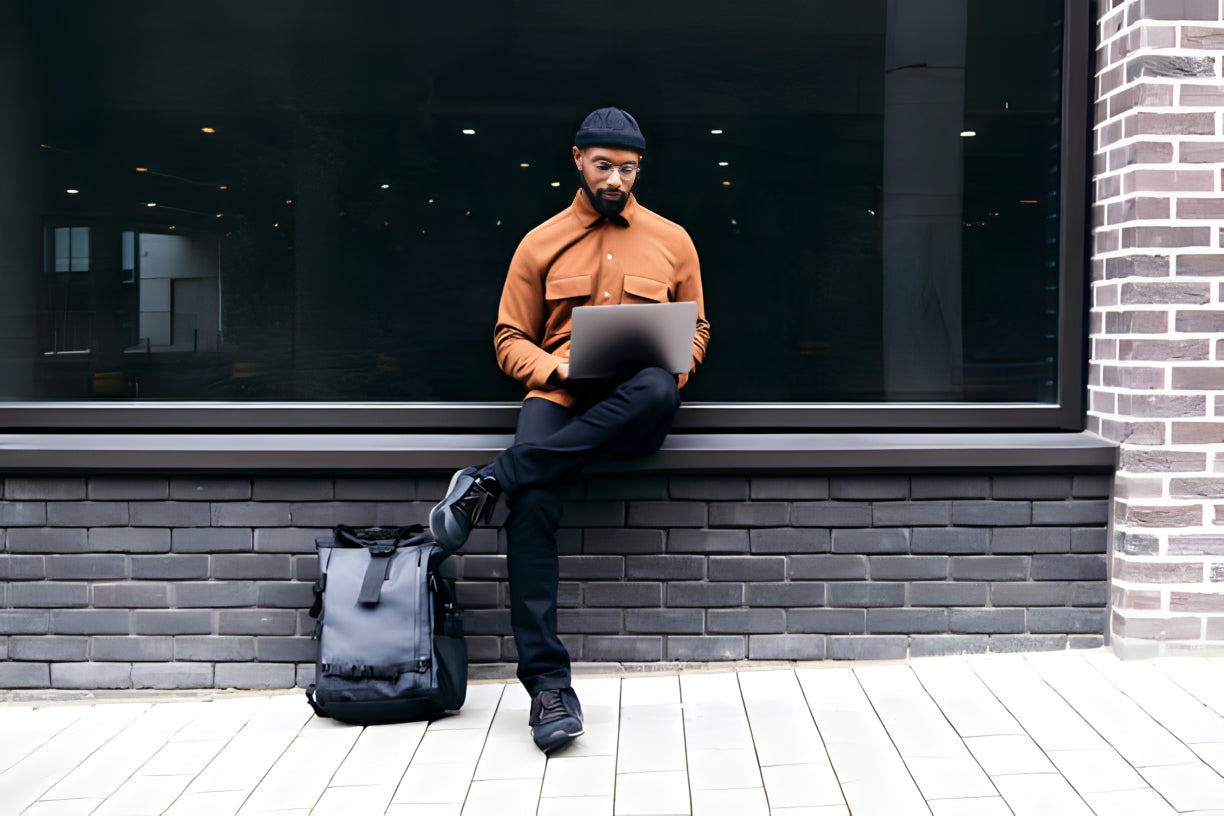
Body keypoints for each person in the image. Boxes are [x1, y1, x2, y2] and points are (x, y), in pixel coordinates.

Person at [430, 106, 710, 754]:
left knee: (659, 387)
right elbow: (507, 337)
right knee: (533, 503)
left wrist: (678, 359)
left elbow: (696, 328)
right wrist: (554, 364)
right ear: (578, 160)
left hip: (634, 404)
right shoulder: (539, 242)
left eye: (629, 168)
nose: (617, 179)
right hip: (558, 396)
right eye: (606, 165)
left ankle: (490, 479)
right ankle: (548, 690)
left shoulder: (674, 241)